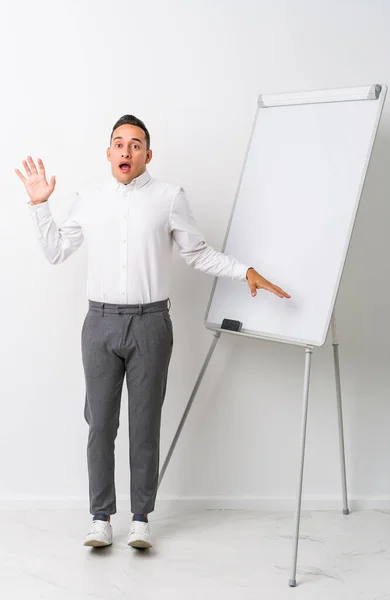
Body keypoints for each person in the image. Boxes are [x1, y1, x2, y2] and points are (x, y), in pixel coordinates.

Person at [16, 115, 290, 549]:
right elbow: (55, 252)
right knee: (100, 424)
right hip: (100, 323)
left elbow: (198, 254)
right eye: (119, 144)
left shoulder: (168, 197)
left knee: (145, 424)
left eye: (136, 144)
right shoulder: (87, 197)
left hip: (150, 324)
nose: (126, 151)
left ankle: (141, 519)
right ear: (108, 152)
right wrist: (38, 205)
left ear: (148, 154)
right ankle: (100, 518)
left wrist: (246, 271)